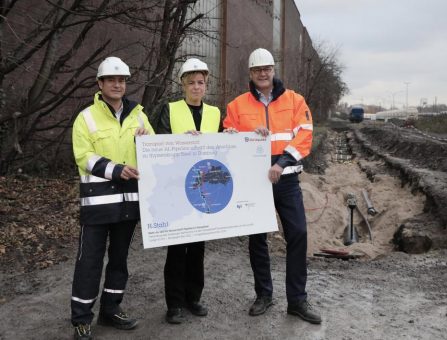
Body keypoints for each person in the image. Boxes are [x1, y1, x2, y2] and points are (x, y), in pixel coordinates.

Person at [223, 48, 322, 324]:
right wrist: (234, 136)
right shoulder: (237, 105)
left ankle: (297, 300)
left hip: (286, 179)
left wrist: (281, 163)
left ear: (273, 70)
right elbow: (227, 137)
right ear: (251, 74)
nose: (263, 74)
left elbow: (304, 136)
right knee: (257, 240)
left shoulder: (295, 101)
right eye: (257, 70)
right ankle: (264, 295)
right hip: (254, 183)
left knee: (298, 234)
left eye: (267, 69)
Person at [70, 56, 154, 339]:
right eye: (112, 80)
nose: (118, 84)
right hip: (98, 203)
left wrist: (147, 141)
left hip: (130, 201)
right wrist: (117, 170)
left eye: (122, 80)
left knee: (119, 260)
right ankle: (82, 318)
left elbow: (155, 154)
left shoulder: (140, 116)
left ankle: (110, 310)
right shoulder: (86, 117)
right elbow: (84, 158)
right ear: (100, 83)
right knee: (89, 261)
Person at [151, 58, 221, 324]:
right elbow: (159, 147)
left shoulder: (215, 113)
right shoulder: (169, 110)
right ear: (182, 84)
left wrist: (234, 136)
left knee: (198, 249)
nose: (196, 87)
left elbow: (224, 149)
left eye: (200, 82)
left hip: (204, 192)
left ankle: (194, 298)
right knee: (177, 249)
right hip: (177, 190)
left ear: (206, 85)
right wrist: (182, 142)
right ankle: (175, 304)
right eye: (190, 82)